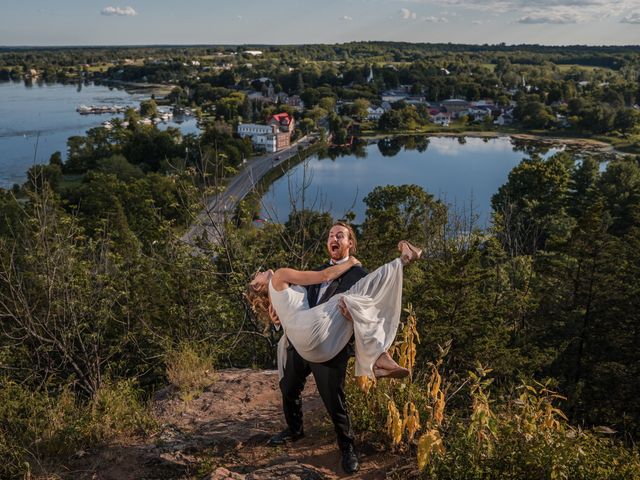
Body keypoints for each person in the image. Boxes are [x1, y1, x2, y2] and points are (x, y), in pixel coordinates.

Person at [246, 223, 421, 473]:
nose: (333, 238)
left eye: (340, 235)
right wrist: (276, 319)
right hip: (301, 339)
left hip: (331, 344)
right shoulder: (317, 271)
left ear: (351, 244)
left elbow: (373, 307)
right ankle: (295, 429)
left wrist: (353, 315)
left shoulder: (360, 277)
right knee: (288, 386)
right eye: (330, 235)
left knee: (333, 400)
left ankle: (347, 448)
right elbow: (291, 303)